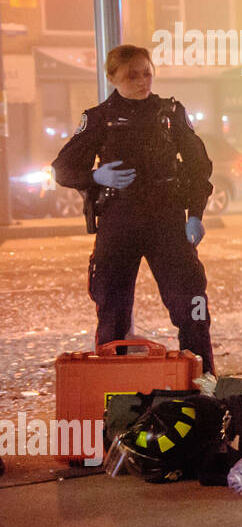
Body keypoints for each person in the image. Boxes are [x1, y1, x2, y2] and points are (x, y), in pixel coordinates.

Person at [52, 44, 216, 373]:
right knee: (112, 311)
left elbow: (200, 166)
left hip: (167, 222)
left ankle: (204, 384)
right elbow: (63, 168)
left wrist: (196, 214)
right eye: (132, 76)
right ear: (112, 77)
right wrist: (95, 176)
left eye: (147, 73)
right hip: (120, 222)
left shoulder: (170, 113)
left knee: (192, 306)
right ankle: (112, 391)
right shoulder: (98, 118)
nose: (143, 81)